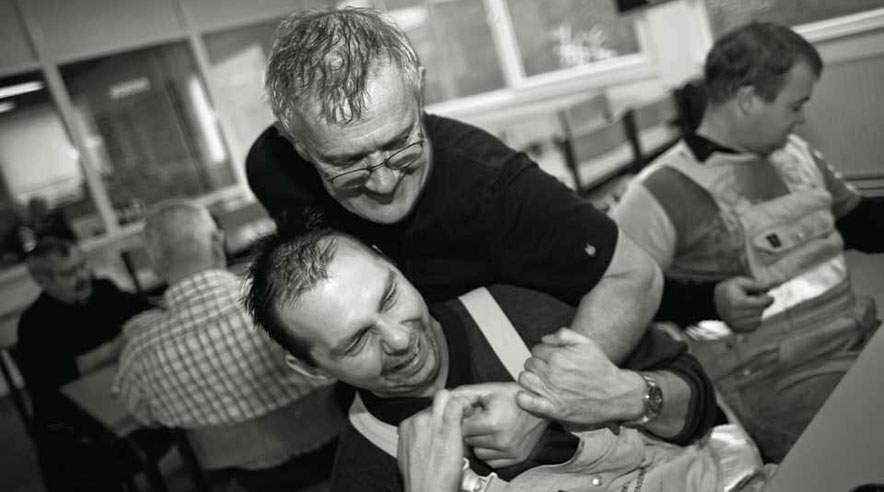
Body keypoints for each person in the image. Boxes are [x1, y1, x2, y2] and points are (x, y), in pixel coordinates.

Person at [246, 8, 661, 381]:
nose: (384, 182)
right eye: (346, 163)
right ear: (295, 142)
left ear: (419, 91)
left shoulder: (494, 186)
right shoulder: (273, 171)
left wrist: (542, 402)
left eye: (399, 143)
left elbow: (632, 276)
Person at [243, 227, 765, 492]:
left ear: (396, 266)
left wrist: (632, 396)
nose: (399, 341)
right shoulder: (367, 472)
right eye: (357, 341)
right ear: (312, 369)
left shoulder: (519, 308)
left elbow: (697, 402)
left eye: (389, 297)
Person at [612, 22, 883, 461]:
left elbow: (859, 223)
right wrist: (711, 300)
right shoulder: (661, 192)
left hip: (851, 340)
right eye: (796, 106)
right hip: (773, 383)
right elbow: (617, 296)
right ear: (747, 99)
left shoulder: (794, 154)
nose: (801, 118)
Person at [113, 200, 344, 491]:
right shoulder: (284, 301)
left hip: (239, 483)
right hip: (335, 456)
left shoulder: (139, 351)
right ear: (216, 242)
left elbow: (144, 415)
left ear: (156, 265)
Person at [16, 237, 169, 491]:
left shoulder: (103, 289)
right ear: (42, 281)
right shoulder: (35, 324)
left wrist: (164, 305)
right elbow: (63, 375)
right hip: (73, 430)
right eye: (69, 273)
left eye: (83, 265)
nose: (83, 276)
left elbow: (140, 307)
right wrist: (119, 344)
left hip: (120, 399)